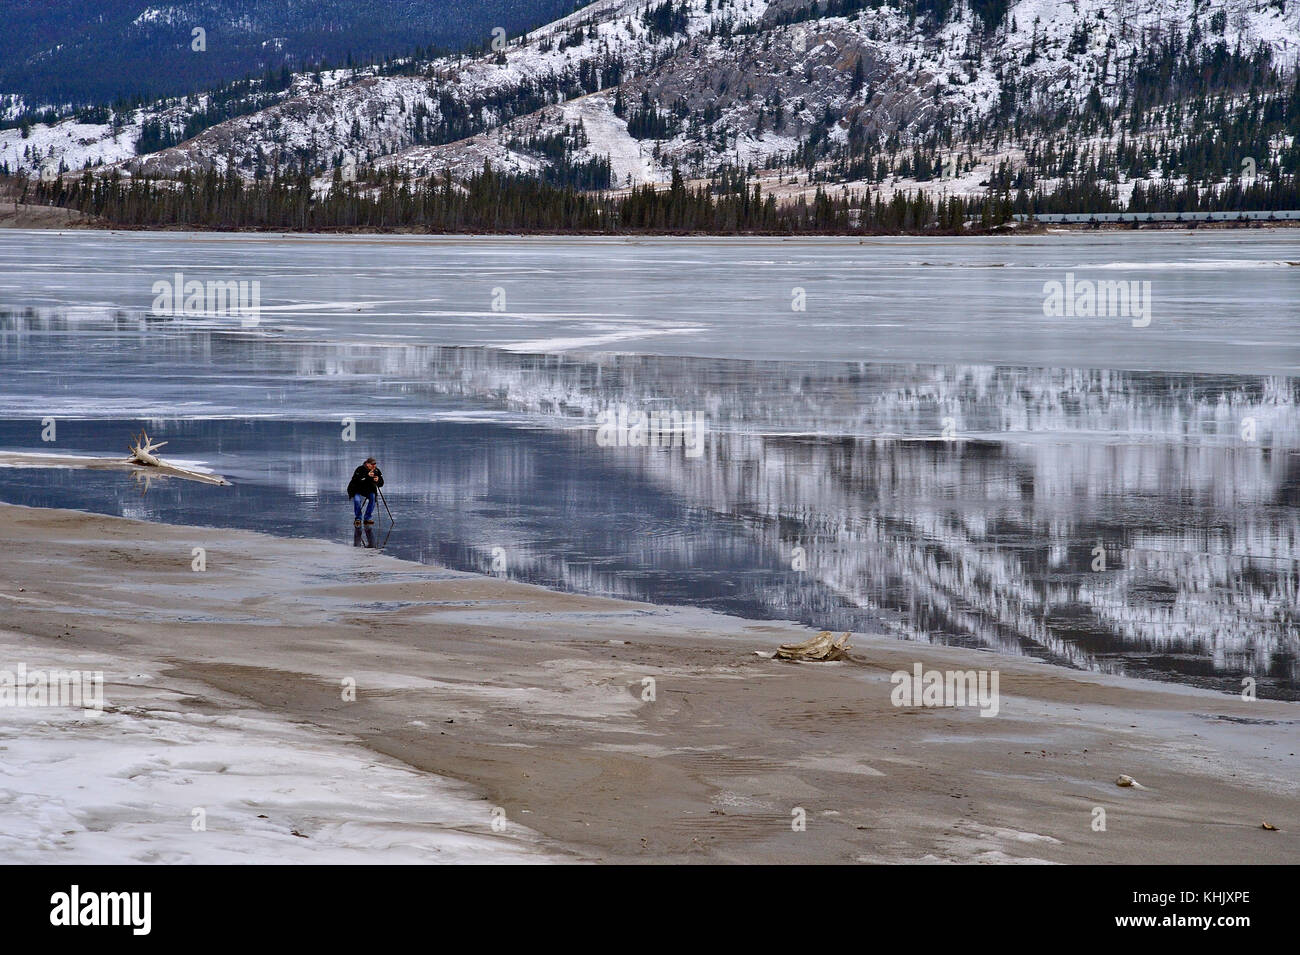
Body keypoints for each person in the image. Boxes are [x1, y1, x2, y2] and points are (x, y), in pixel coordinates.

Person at [347, 457, 384, 526]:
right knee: (357, 500)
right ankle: (358, 518)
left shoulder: (376, 471)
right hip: (357, 489)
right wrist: (367, 476)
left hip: (369, 490)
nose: (374, 466)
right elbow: (356, 480)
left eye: (375, 464)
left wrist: (378, 480)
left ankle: (367, 518)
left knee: (373, 498)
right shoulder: (360, 469)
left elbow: (381, 483)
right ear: (367, 464)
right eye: (372, 464)